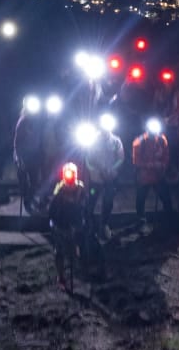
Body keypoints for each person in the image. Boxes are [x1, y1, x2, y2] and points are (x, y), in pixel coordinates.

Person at [48, 162, 88, 292]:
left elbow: (84, 207)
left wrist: (78, 223)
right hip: (61, 224)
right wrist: (57, 224)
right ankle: (61, 276)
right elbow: (52, 210)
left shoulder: (81, 189)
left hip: (76, 223)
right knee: (59, 251)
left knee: (78, 244)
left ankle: (77, 260)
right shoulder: (59, 190)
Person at [84, 114, 124, 240]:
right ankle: (88, 225)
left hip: (110, 179)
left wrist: (112, 170)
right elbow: (88, 160)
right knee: (90, 202)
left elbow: (120, 158)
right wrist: (95, 171)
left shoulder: (116, 141)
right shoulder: (92, 140)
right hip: (96, 179)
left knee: (108, 202)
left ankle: (104, 225)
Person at [132, 118, 174, 223]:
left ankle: (169, 217)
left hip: (158, 175)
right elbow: (136, 161)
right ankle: (140, 218)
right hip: (144, 176)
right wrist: (151, 165)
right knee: (141, 198)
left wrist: (163, 165)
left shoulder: (161, 140)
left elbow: (166, 155)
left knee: (166, 196)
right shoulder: (139, 142)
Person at [13, 99, 45, 215]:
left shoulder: (37, 121)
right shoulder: (23, 122)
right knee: (24, 183)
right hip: (23, 155)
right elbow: (17, 142)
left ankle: (30, 200)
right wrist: (19, 158)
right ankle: (27, 203)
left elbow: (39, 139)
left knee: (34, 181)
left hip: (34, 154)